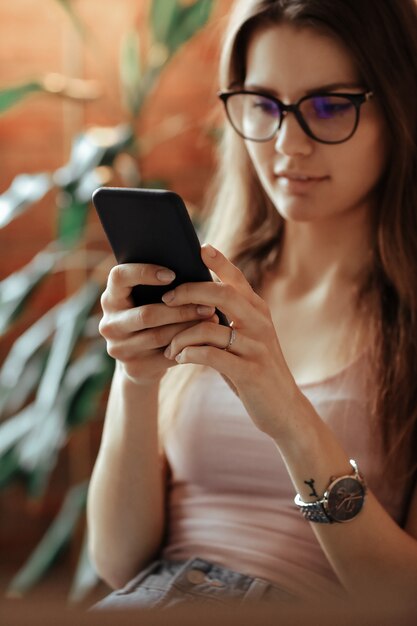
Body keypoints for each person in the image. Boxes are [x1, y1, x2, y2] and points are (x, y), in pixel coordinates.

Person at [87, 0, 417, 611]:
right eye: (264, 106)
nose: (289, 145)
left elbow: (404, 598)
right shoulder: (214, 284)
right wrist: (135, 380)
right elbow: (118, 561)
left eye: (328, 106)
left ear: (399, 107)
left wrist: (287, 413)